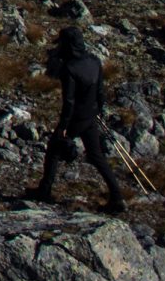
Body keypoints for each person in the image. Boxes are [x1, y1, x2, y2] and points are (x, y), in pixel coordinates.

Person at [27, 24, 127, 214]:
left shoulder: (70, 68)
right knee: (97, 156)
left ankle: (44, 190)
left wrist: (63, 127)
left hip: (76, 118)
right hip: (91, 115)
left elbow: (69, 102)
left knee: (54, 148)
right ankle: (117, 197)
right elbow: (100, 91)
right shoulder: (95, 61)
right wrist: (99, 112)